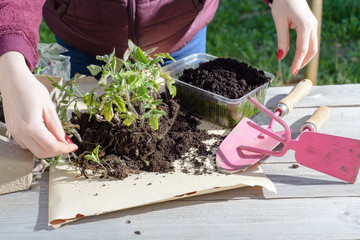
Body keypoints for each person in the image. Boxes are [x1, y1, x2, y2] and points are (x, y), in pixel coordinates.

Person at [0, 0, 318, 158]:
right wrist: (11, 58)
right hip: (86, 39)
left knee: (179, 121)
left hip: (180, 34)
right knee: (89, 130)